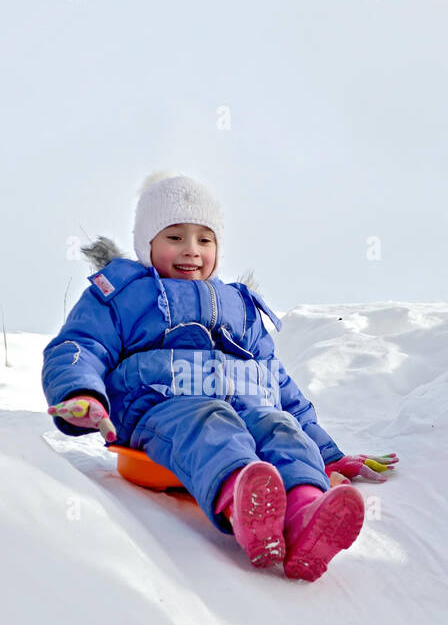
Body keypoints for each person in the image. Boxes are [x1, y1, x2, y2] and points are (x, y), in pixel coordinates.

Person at [42, 173, 396, 581]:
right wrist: (82, 392)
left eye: (204, 240)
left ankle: (306, 513)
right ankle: (245, 502)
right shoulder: (123, 294)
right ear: (147, 244)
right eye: (175, 237)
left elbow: (279, 385)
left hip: (246, 407)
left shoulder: (238, 305)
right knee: (211, 419)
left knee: (279, 424)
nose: (191, 251)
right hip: (161, 408)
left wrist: (329, 453)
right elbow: (80, 345)